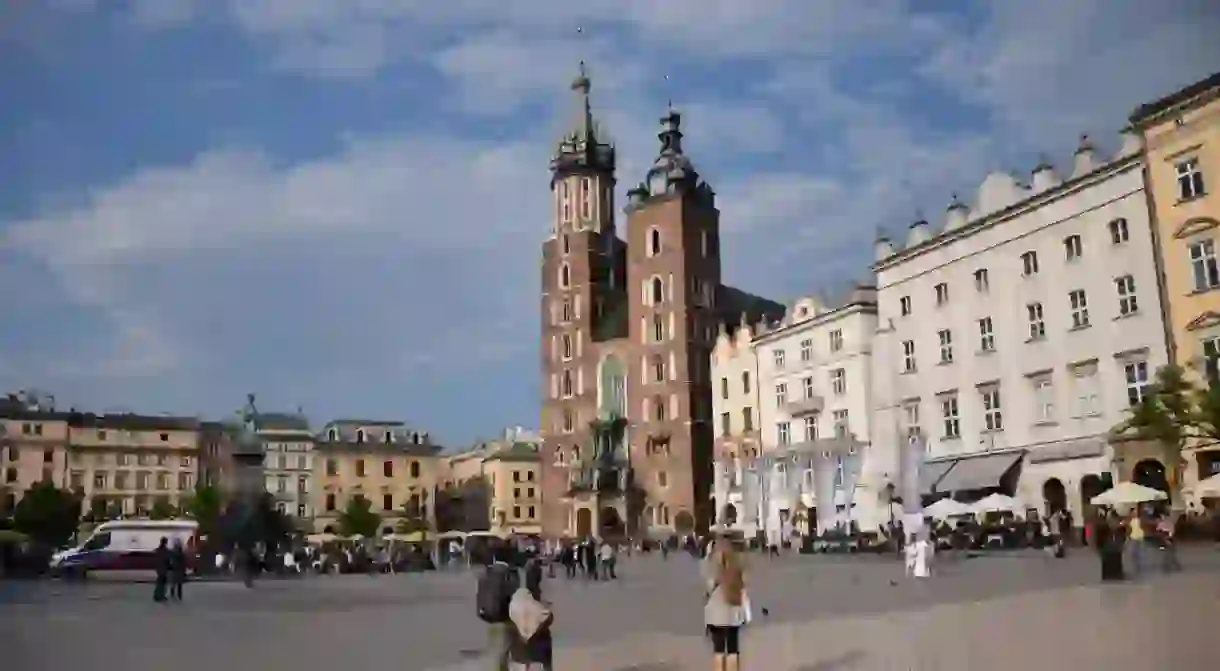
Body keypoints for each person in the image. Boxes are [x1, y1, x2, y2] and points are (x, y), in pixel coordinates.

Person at [704, 541, 749, 671]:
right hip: (734, 611)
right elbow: (744, 583)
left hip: (716, 612)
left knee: (718, 650)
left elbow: (709, 586)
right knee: (733, 650)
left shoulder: (713, 563)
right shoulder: (737, 562)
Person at [477, 547, 521, 671]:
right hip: (505, 617)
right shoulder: (509, 573)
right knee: (504, 651)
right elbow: (514, 594)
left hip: (488, 615)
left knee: (496, 649)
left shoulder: (486, 572)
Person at [508, 560, 554, 670]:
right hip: (538, 645)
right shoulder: (534, 599)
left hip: (519, 647)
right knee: (545, 645)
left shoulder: (516, 600)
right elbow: (548, 617)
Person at [152, 537, 170, 603]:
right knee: (162, 583)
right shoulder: (165, 550)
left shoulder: (158, 550)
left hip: (159, 568)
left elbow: (155, 559)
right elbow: (167, 560)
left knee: (160, 582)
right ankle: (160, 596)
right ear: (165, 542)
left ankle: (157, 595)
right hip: (163, 569)